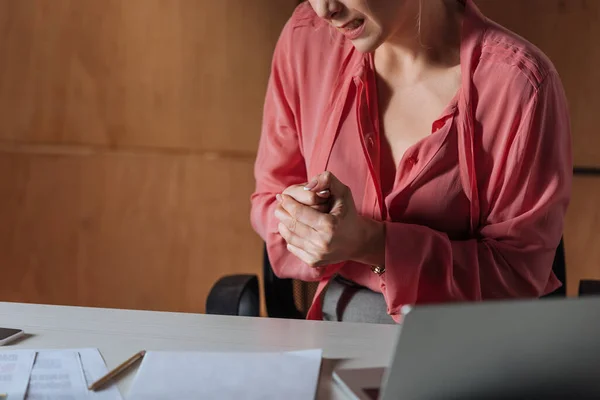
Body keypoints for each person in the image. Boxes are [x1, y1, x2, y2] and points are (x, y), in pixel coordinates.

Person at [250, 0, 572, 324]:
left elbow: (516, 276)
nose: (324, 9)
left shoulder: (520, 86)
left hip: (462, 339)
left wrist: (373, 244)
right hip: (336, 326)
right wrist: (302, 217)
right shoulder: (307, 39)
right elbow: (269, 198)